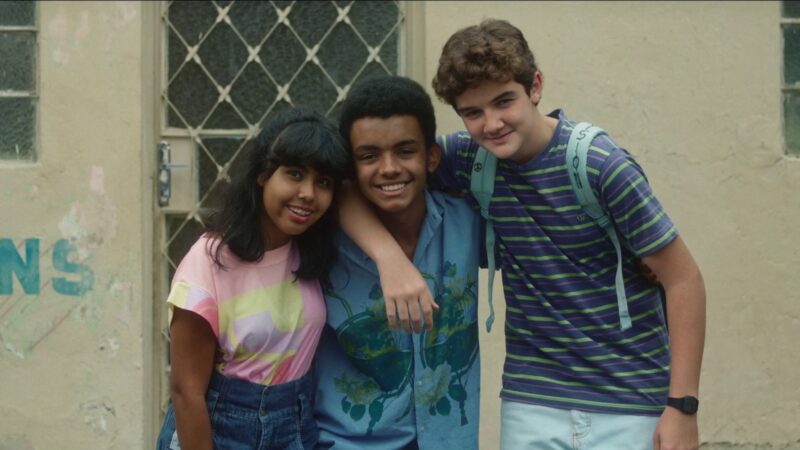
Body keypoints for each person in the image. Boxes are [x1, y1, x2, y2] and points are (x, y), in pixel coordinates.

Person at [343, 19, 707, 450]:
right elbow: (345, 186)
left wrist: (682, 407)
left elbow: (683, 279)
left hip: (629, 399)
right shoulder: (466, 158)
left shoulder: (599, 166)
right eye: (473, 113)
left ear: (535, 87)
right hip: (531, 401)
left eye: (504, 102)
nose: (492, 124)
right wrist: (390, 260)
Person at [155, 108, 350, 450]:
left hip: (295, 426)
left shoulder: (313, 253)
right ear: (262, 174)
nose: (308, 193)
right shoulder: (210, 260)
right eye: (294, 174)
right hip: (219, 429)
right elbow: (187, 392)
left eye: (323, 182)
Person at [313, 76, 483, 450]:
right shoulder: (319, 238)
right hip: (346, 443)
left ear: (431, 156)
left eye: (405, 151)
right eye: (369, 156)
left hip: (450, 441)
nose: (389, 168)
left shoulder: (469, 223)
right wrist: (389, 258)